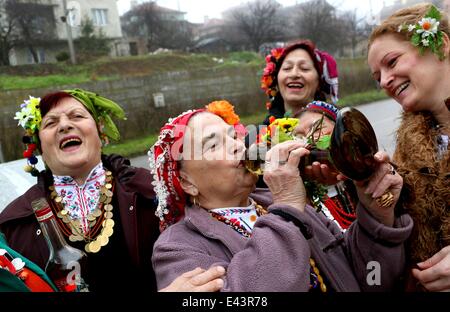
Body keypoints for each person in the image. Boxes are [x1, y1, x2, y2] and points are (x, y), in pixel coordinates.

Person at [149, 100, 413, 292]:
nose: (238, 145)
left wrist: (375, 214)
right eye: (214, 144)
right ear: (187, 182)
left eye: (234, 136)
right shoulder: (177, 248)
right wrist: (287, 208)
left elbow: (372, 279)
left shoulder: (283, 204)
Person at [0, 89, 225, 292]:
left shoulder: (154, 191)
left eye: (77, 116)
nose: (65, 125)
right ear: (39, 145)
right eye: (50, 123)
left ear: (100, 132)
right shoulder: (14, 225)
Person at [367, 3, 450, 291]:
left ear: (440, 44)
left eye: (391, 62)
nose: (385, 81)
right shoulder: (405, 152)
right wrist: (380, 206)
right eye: (378, 77)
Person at [292, 101, 357, 231]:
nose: (309, 138)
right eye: (299, 137)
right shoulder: (301, 202)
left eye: (317, 128)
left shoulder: (369, 170)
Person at [261, 40, 339, 125]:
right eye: (287, 68)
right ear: (276, 79)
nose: (294, 74)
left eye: (304, 68)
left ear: (319, 82)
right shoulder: (258, 135)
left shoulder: (339, 130)